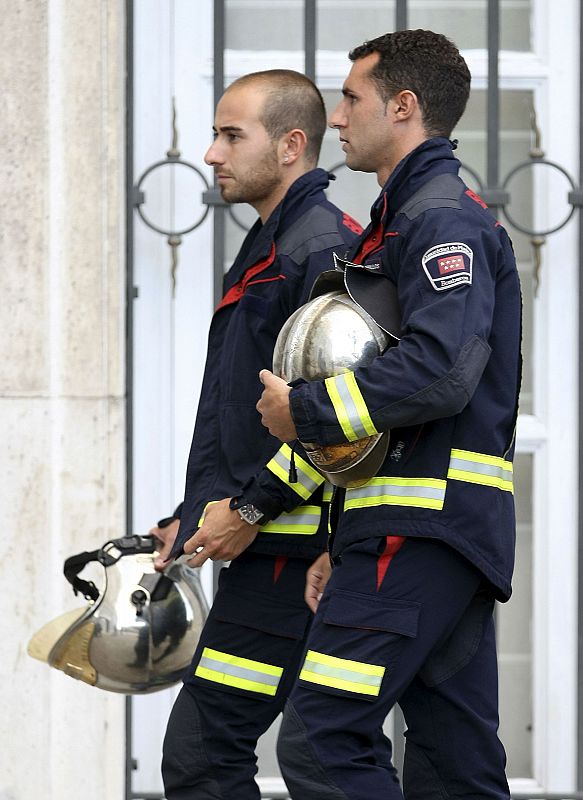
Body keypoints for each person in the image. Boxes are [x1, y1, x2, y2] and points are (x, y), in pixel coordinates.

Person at [257, 30, 522, 800]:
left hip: (420, 532)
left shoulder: (441, 221)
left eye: (349, 98)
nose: (335, 119)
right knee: (452, 767)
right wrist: (341, 537)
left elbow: (439, 372)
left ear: (402, 107)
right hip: (413, 533)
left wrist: (302, 411)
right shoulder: (405, 217)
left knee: (321, 741)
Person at [152, 69, 362, 799]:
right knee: (230, 753)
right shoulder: (275, 245)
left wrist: (247, 510)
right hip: (266, 547)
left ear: (290, 146)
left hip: (294, 556)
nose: (212, 153)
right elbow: (238, 416)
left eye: (230, 135)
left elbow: (337, 419)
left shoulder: (320, 250)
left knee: (212, 754)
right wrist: (197, 510)